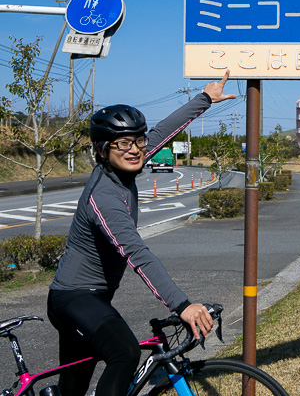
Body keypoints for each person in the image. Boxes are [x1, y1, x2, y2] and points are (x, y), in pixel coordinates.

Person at [47, 71, 236, 396]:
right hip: (73, 298)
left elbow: (163, 130)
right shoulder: (104, 197)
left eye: (138, 140)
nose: (134, 149)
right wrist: (182, 305)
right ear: (103, 151)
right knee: (124, 352)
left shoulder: (127, 162)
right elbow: (137, 253)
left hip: (94, 299)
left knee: (73, 390)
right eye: (123, 143)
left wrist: (204, 99)